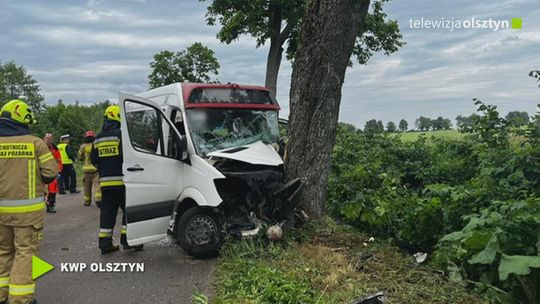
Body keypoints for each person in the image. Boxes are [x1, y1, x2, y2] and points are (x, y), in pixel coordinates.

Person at [0, 99, 59, 304]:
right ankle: (20, 299)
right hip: (28, 214)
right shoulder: (35, 143)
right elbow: (51, 173)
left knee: (3, 252)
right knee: (25, 253)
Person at [91, 105, 142, 254]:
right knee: (128, 211)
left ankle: (105, 244)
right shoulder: (121, 135)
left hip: (106, 184)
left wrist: (104, 169)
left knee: (107, 212)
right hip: (123, 182)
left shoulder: (98, 137)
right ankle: (128, 241)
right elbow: (129, 156)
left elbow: (93, 159)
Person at [78, 131, 101, 207]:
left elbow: (79, 157)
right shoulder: (96, 145)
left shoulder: (83, 146)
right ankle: (98, 200)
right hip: (96, 169)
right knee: (97, 185)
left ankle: (87, 202)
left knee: (87, 187)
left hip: (86, 170)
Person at [43, 133, 63, 213]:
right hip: (42, 171)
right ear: (44, 138)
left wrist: (59, 170)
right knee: (42, 190)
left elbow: (59, 159)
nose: (48, 140)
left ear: (52, 139)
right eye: (46, 138)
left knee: (52, 189)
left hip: (52, 172)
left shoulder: (55, 148)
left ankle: (50, 204)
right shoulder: (40, 147)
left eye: (49, 138)